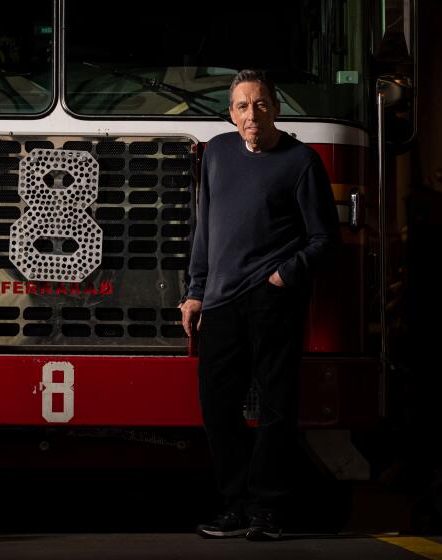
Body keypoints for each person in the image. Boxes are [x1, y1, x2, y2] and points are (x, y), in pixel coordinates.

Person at [179, 70, 340, 540]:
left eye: (261, 104)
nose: (252, 114)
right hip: (221, 300)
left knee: (276, 406)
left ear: (276, 108)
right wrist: (194, 290)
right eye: (243, 106)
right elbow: (204, 228)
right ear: (231, 114)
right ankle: (234, 505)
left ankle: (266, 510)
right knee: (216, 404)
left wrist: (282, 275)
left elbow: (325, 240)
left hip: (273, 301)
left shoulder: (302, 161)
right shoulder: (218, 154)